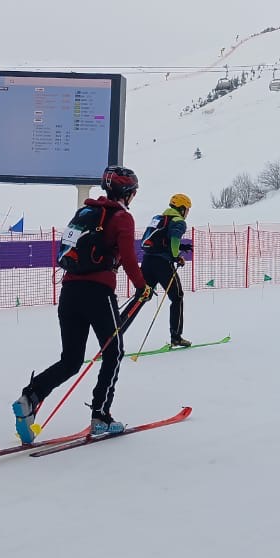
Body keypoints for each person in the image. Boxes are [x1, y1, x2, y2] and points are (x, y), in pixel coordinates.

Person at [11, 166, 150, 443]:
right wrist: (142, 286)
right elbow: (128, 258)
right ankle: (101, 416)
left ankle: (31, 396)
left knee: (71, 360)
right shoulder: (122, 217)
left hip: (69, 292)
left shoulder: (85, 212)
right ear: (127, 193)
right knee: (114, 352)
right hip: (98, 293)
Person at [141, 193, 192, 347]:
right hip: (162, 265)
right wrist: (177, 257)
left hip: (147, 261)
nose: (187, 213)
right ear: (182, 209)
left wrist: (180, 247)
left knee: (141, 298)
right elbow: (174, 240)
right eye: (187, 209)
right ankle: (176, 337)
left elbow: (161, 240)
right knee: (177, 297)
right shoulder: (179, 221)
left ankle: (113, 335)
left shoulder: (159, 218)